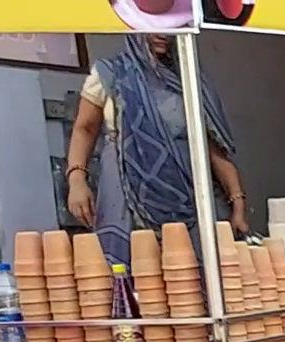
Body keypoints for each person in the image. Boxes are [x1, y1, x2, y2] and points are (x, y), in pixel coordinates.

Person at [65, 35, 246, 267]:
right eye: (153, 27)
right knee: (133, 277)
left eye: (168, 28)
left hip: (187, 197)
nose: (162, 34)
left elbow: (211, 147)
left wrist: (237, 201)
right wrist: (77, 180)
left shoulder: (189, 79)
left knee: (190, 277)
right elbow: (85, 128)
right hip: (125, 197)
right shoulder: (112, 74)